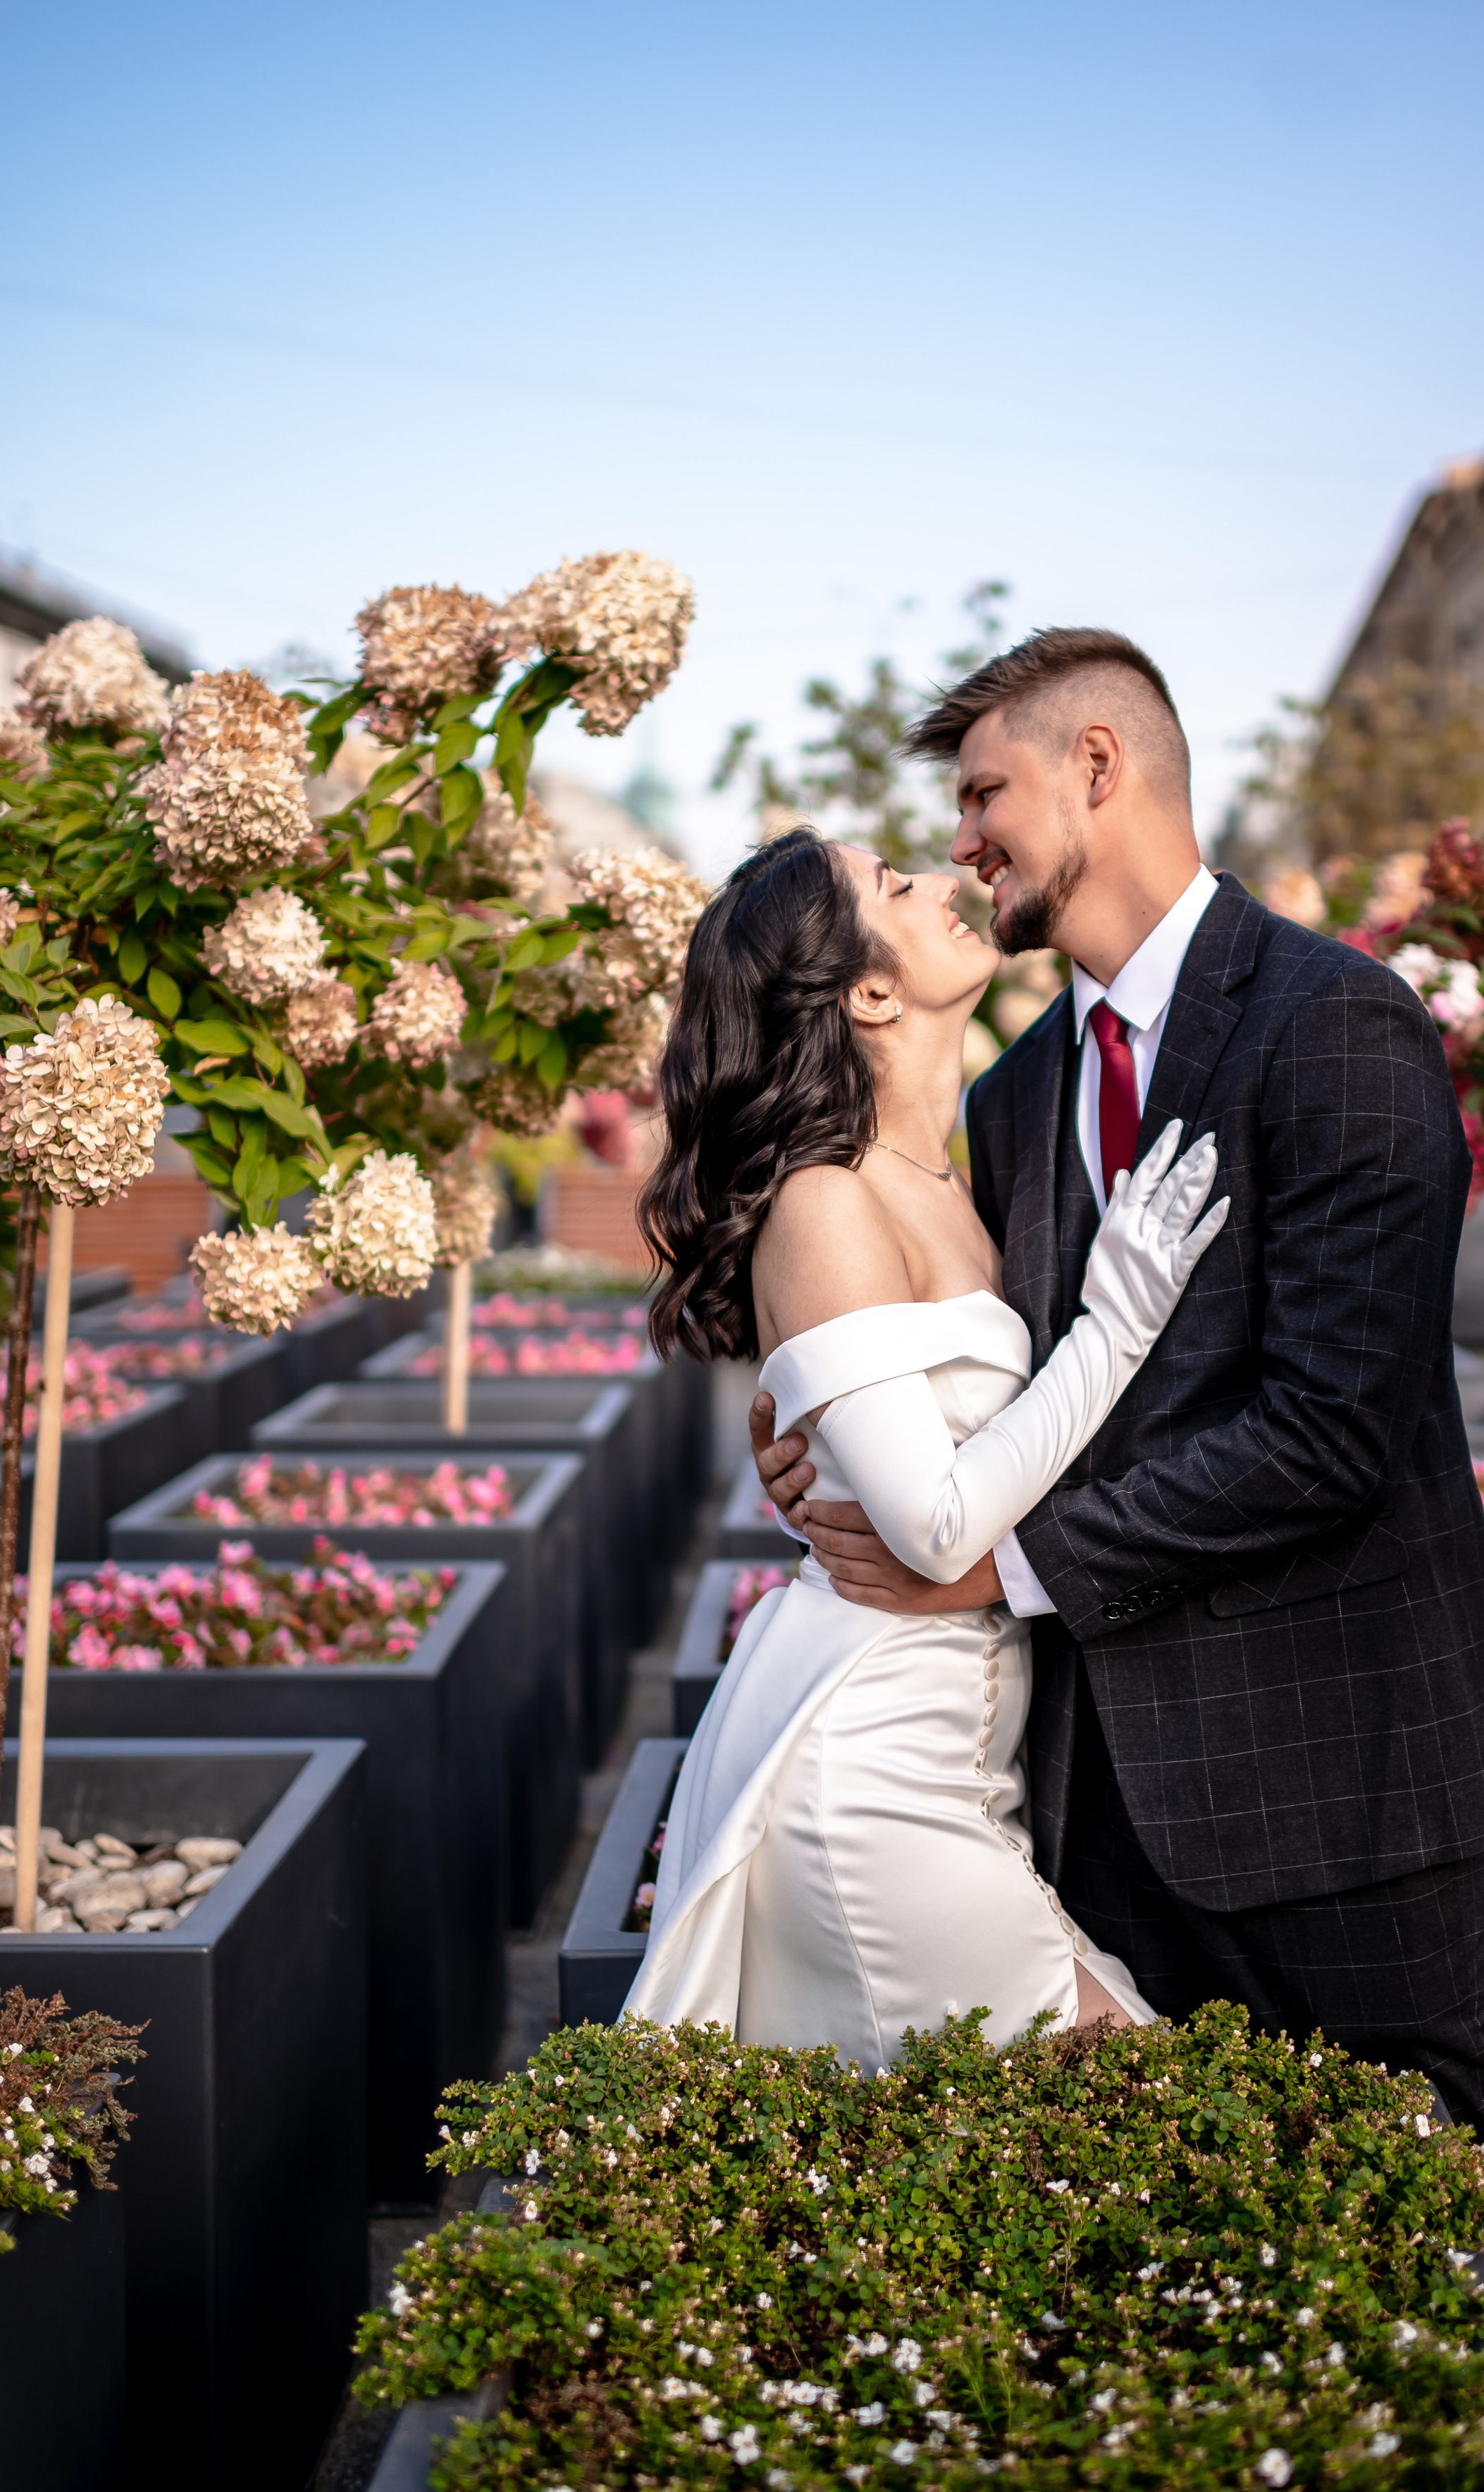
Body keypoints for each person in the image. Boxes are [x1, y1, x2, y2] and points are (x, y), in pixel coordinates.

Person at [751, 625, 1484, 2174]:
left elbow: (1333, 1428)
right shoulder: (1007, 1094)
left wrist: (1004, 1563)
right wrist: (819, 1432)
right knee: (1147, 2246)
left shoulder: (1337, 1024)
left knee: (1434, 2201)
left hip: (1340, 1785)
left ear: (1096, 766)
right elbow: (943, 1353)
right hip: (1090, 1810)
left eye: (986, 791)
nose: (963, 841)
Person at [627, 825, 1228, 2069]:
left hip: (965, 1758)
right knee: (1113, 2105)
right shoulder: (825, 1197)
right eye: (893, 888)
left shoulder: (959, 1174)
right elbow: (938, 1525)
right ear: (870, 990)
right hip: (870, 1771)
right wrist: (1115, 1328)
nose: (944, 881)